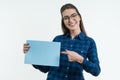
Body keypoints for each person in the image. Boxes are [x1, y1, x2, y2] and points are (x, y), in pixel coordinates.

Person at [23, 3, 101, 80]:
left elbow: (96, 71)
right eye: (66, 18)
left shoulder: (89, 42)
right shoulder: (57, 39)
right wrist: (31, 54)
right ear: (63, 21)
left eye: (73, 15)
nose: (70, 20)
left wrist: (80, 59)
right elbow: (46, 68)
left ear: (79, 17)